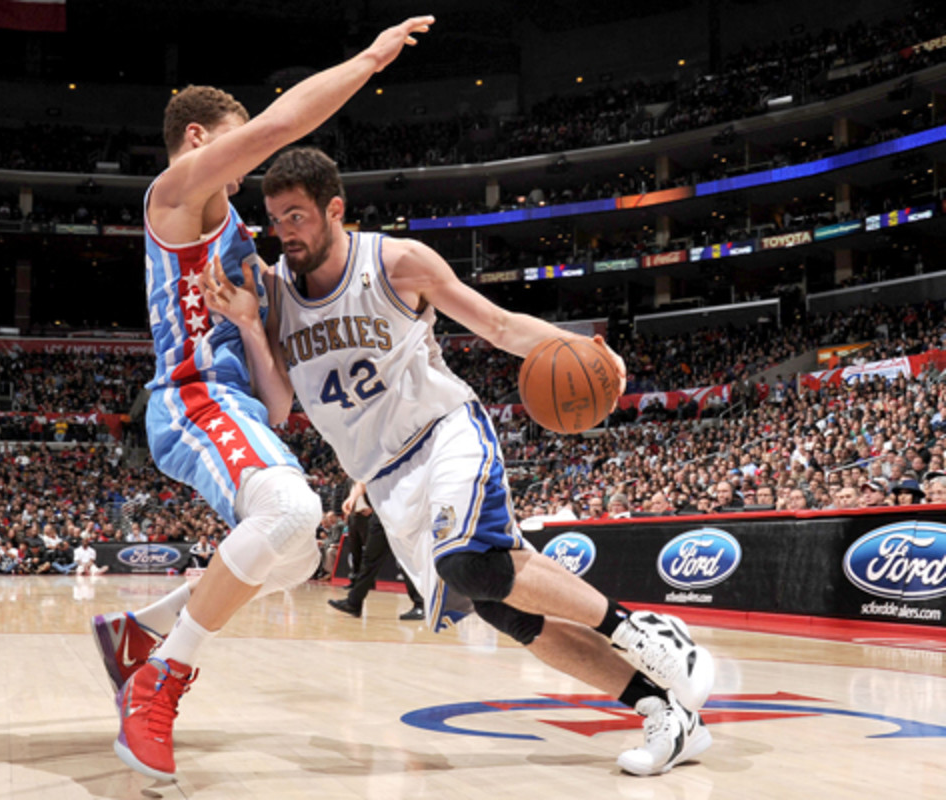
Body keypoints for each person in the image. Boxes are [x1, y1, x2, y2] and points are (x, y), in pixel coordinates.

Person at [200, 146, 715, 776]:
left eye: (297, 216)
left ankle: (645, 632)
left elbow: (498, 326)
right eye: (275, 219)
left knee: (469, 561)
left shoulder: (395, 263)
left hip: (444, 433)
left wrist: (584, 349)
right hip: (387, 479)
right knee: (503, 605)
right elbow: (279, 407)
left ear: (335, 208)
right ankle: (666, 712)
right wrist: (253, 328)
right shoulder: (276, 295)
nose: (285, 233)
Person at [89, 16, 436, 783]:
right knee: (293, 512)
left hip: (236, 406)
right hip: (188, 399)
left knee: (294, 558)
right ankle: (158, 683)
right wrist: (372, 59)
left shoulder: (241, 238)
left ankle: (138, 634)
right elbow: (287, 123)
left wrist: (252, 325)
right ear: (197, 140)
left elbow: (277, 408)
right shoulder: (175, 195)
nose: (245, 172)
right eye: (235, 148)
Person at [327, 481, 424, 620]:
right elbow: (365, 479)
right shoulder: (375, 464)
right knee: (369, 559)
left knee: (404, 559)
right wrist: (353, 497)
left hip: (399, 515)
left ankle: (422, 604)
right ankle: (353, 602)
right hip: (381, 515)